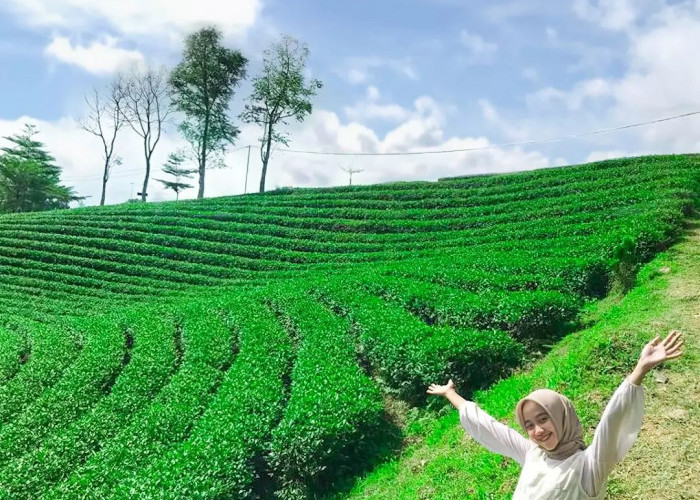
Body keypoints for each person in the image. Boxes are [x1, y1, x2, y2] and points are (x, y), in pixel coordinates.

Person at [427, 330, 685, 499]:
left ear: (562, 417)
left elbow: (611, 422)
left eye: (543, 418)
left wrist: (639, 372)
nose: (537, 431)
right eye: (528, 425)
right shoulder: (532, 453)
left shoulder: (588, 467)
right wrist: (451, 394)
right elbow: (488, 426)